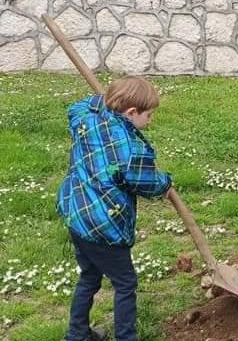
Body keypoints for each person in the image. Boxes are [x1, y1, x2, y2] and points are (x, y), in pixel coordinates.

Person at [57, 76, 172, 341]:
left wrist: (105, 100)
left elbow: (76, 107)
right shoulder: (131, 150)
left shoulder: (86, 119)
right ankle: (125, 337)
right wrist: (165, 182)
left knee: (89, 276)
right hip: (104, 227)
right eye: (149, 115)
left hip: (77, 215)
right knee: (125, 283)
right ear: (131, 112)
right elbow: (147, 182)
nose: (150, 120)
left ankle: (77, 334)